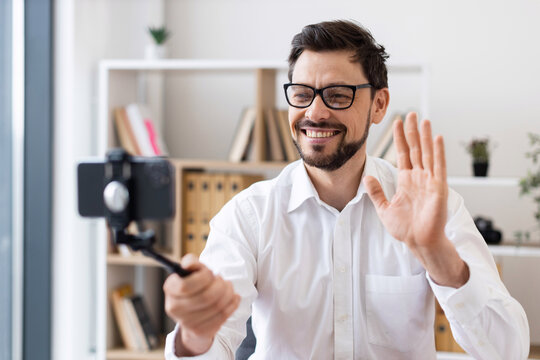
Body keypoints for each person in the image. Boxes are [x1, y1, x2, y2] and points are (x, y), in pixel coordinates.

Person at [163, 20, 529, 359]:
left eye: (337, 95)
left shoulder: (428, 208)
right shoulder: (249, 215)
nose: (316, 112)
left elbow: (508, 349)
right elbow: (213, 341)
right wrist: (196, 333)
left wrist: (437, 255)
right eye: (303, 93)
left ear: (379, 104)